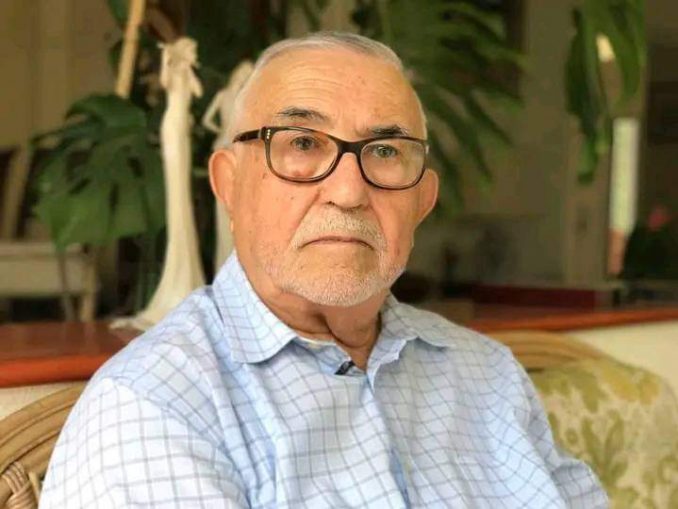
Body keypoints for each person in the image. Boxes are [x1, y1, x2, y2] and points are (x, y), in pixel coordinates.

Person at [40, 32, 607, 508]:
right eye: (303, 142)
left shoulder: (487, 375)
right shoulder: (157, 406)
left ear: (422, 201)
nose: (348, 191)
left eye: (385, 152)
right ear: (229, 183)